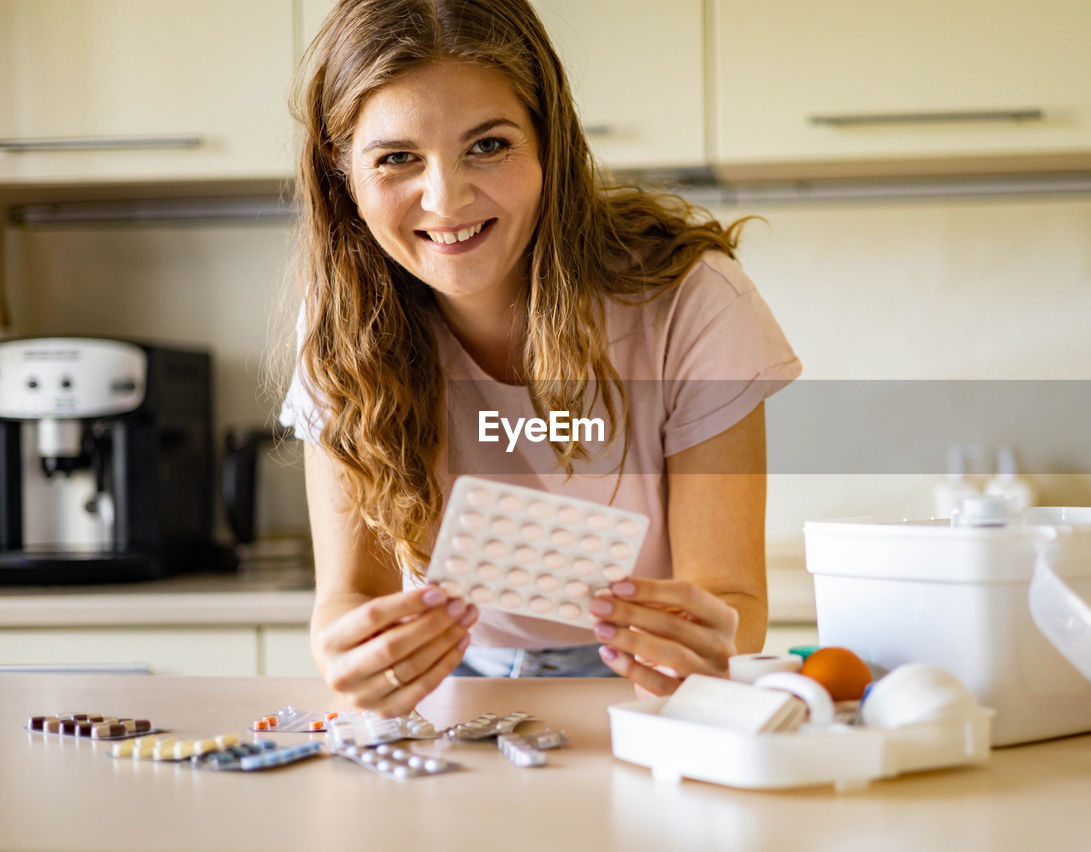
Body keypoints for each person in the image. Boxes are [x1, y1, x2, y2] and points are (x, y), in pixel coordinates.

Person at [279, 0, 801, 717]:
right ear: (341, 175)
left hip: (654, 693)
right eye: (398, 158)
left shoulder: (692, 300)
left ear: (549, 143)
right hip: (453, 694)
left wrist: (707, 645)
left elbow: (732, 600)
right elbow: (351, 596)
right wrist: (353, 649)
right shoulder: (344, 324)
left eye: (488, 145)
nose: (446, 198)